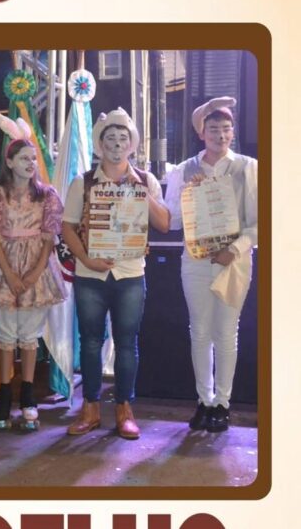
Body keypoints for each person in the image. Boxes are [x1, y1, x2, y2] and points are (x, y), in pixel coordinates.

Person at [61, 108, 170, 440]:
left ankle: (124, 409)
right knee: (90, 342)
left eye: (123, 138)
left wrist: (141, 191)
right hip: (90, 274)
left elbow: (164, 223)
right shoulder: (83, 181)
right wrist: (86, 259)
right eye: (111, 138)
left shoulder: (146, 180)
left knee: (126, 343)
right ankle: (90, 408)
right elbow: (67, 228)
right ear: (100, 144)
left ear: (131, 144)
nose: (117, 144)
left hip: (130, 273)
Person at [164, 97, 257, 433]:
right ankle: (204, 400)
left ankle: (223, 404)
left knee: (226, 332)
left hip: (234, 263)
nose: (221, 135)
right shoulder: (184, 170)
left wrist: (235, 249)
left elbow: (259, 222)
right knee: (200, 332)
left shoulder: (248, 167)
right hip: (196, 261)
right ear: (201, 133)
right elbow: (173, 220)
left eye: (226, 129)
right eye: (214, 129)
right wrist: (181, 199)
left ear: (233, 132)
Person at [0, 114, 68, 430]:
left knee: (29, 336)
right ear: (10, 162)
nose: (31, 163)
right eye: (24, 158)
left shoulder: (47, 196)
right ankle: (4, 393)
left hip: (36, 269)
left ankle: (27, 395)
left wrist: (34, 274)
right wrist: (10, 275)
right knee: (6, 335)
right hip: (4, 268)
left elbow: (49, 239)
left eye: (34, 158)